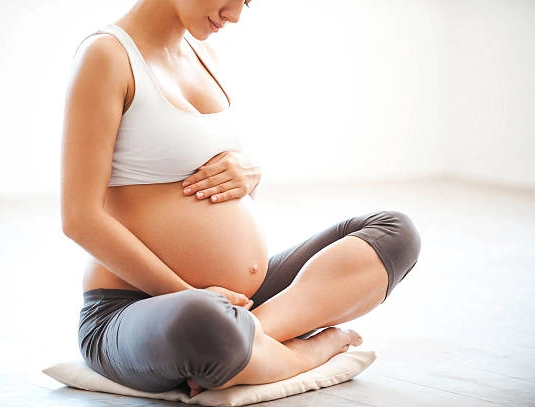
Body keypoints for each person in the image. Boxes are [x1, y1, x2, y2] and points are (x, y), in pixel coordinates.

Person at [60, 0, 421, 397]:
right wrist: (188, 295)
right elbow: (80, 218)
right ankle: (305, 353)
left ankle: (250, 336)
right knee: (203, 321)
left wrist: (251, 173)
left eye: (246, 1)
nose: (234, 15)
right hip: (136, 309)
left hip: (239, 300)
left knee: (395, 232)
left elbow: (214, 183)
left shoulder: (205, 54)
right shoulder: (107, 57)